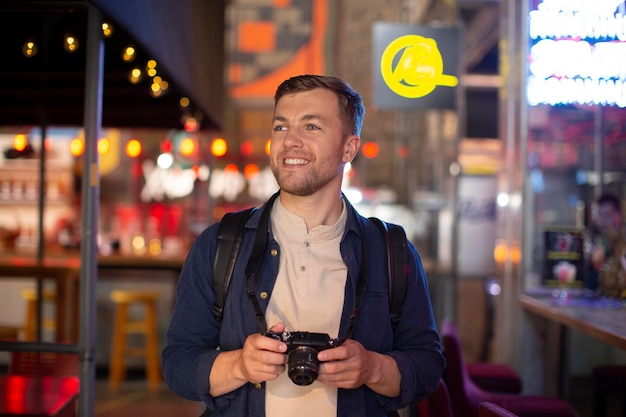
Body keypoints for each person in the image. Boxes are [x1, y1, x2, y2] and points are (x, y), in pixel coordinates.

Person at [162, 74, 445, 417]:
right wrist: (239, 365)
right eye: (281, 127)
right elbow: (177, 363)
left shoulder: (391, 250)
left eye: (311, 127)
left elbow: (428, 366)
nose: (290, 141)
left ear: (349, 148)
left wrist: (372, 368)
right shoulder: (220, 244)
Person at [589, 192, 626, 296]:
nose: (602, 221)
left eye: (607, 215)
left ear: (619, 213)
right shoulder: (601, 239)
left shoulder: (622, 238)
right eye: (600, 215)